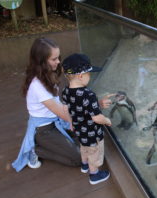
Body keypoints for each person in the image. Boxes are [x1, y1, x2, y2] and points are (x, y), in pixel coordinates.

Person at [12, 38, 112, 172]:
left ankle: (56, 143)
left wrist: (96, 104)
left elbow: (71, 105)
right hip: (45, 129)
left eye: (58, 57)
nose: (59, 62)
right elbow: (65, 113)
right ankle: (36, 150)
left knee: (86, 143)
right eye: (54, 59)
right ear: (41, 61)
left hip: (58, 120)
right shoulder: (37, 86)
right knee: (79, 157)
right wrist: (95, 112)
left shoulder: (48, 74)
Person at [61, 53, 112, 185]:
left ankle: (84, 165)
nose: (90, 76)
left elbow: (67, 109)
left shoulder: (65, 91)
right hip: (92, 132)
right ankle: (94, 174)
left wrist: (71, 123)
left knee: (84, 147)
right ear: (81, 76)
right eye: (89, 74)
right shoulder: (89, 94)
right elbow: (96, 118)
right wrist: (107, 120)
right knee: (94, 152)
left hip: (79, 129)